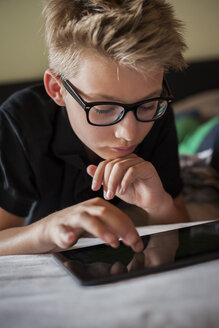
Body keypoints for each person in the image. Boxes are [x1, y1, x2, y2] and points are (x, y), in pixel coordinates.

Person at [0, 0, 189, 256]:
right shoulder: (20, 121)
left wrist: (159, 205)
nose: (129, 134)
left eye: (146, 105)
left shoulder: (156, 111)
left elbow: (181, 221)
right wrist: (47, 229)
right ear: (57, 89)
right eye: (103, 109)